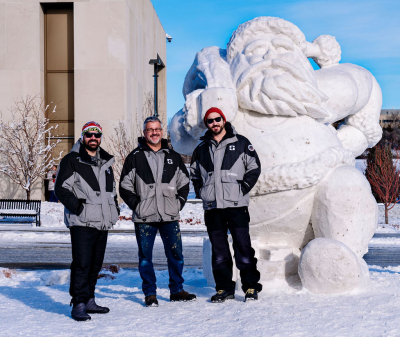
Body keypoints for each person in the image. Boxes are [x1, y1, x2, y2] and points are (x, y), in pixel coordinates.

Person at [119, 116, 196, 307]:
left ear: (162, 132)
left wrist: (178, 203)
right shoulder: (135, 157)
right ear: (144, 133)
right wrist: (138, 206)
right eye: (150, 129)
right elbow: (124, 187)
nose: (154, 132)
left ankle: (176, 290)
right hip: (145, 217)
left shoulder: (173, 156)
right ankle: (150, 293)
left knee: (176, 254)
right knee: (145, 258)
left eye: (157, 129)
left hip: (169, 215)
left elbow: (184, 183)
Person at [190, 107, 262, 302]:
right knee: (219, 251)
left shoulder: (240, 143)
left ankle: (250, 287)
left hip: (236, 206)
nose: (214, 123)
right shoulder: (201, 149)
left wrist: (243, 187)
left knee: (243, 248)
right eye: (210, 121)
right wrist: (201, 192)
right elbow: (195, 174)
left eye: (217, 119)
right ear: (207, 124)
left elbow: (254, 167)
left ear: (223, 120)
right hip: (213, 208)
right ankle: (224, 289)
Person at [55, 121, 119, 321]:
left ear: (100, 137)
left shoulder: (106, 162)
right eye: (89, 135)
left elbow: (112, 191)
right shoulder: (72, 160)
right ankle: (78, 303)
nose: (93, 138)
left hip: (102, 221)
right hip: (82, 222)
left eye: (97, 135)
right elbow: (61, 189)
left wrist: (114, 208)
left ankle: (89, 299)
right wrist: (78, 208)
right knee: (82, 264)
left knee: (95, 264)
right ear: (83, 136)